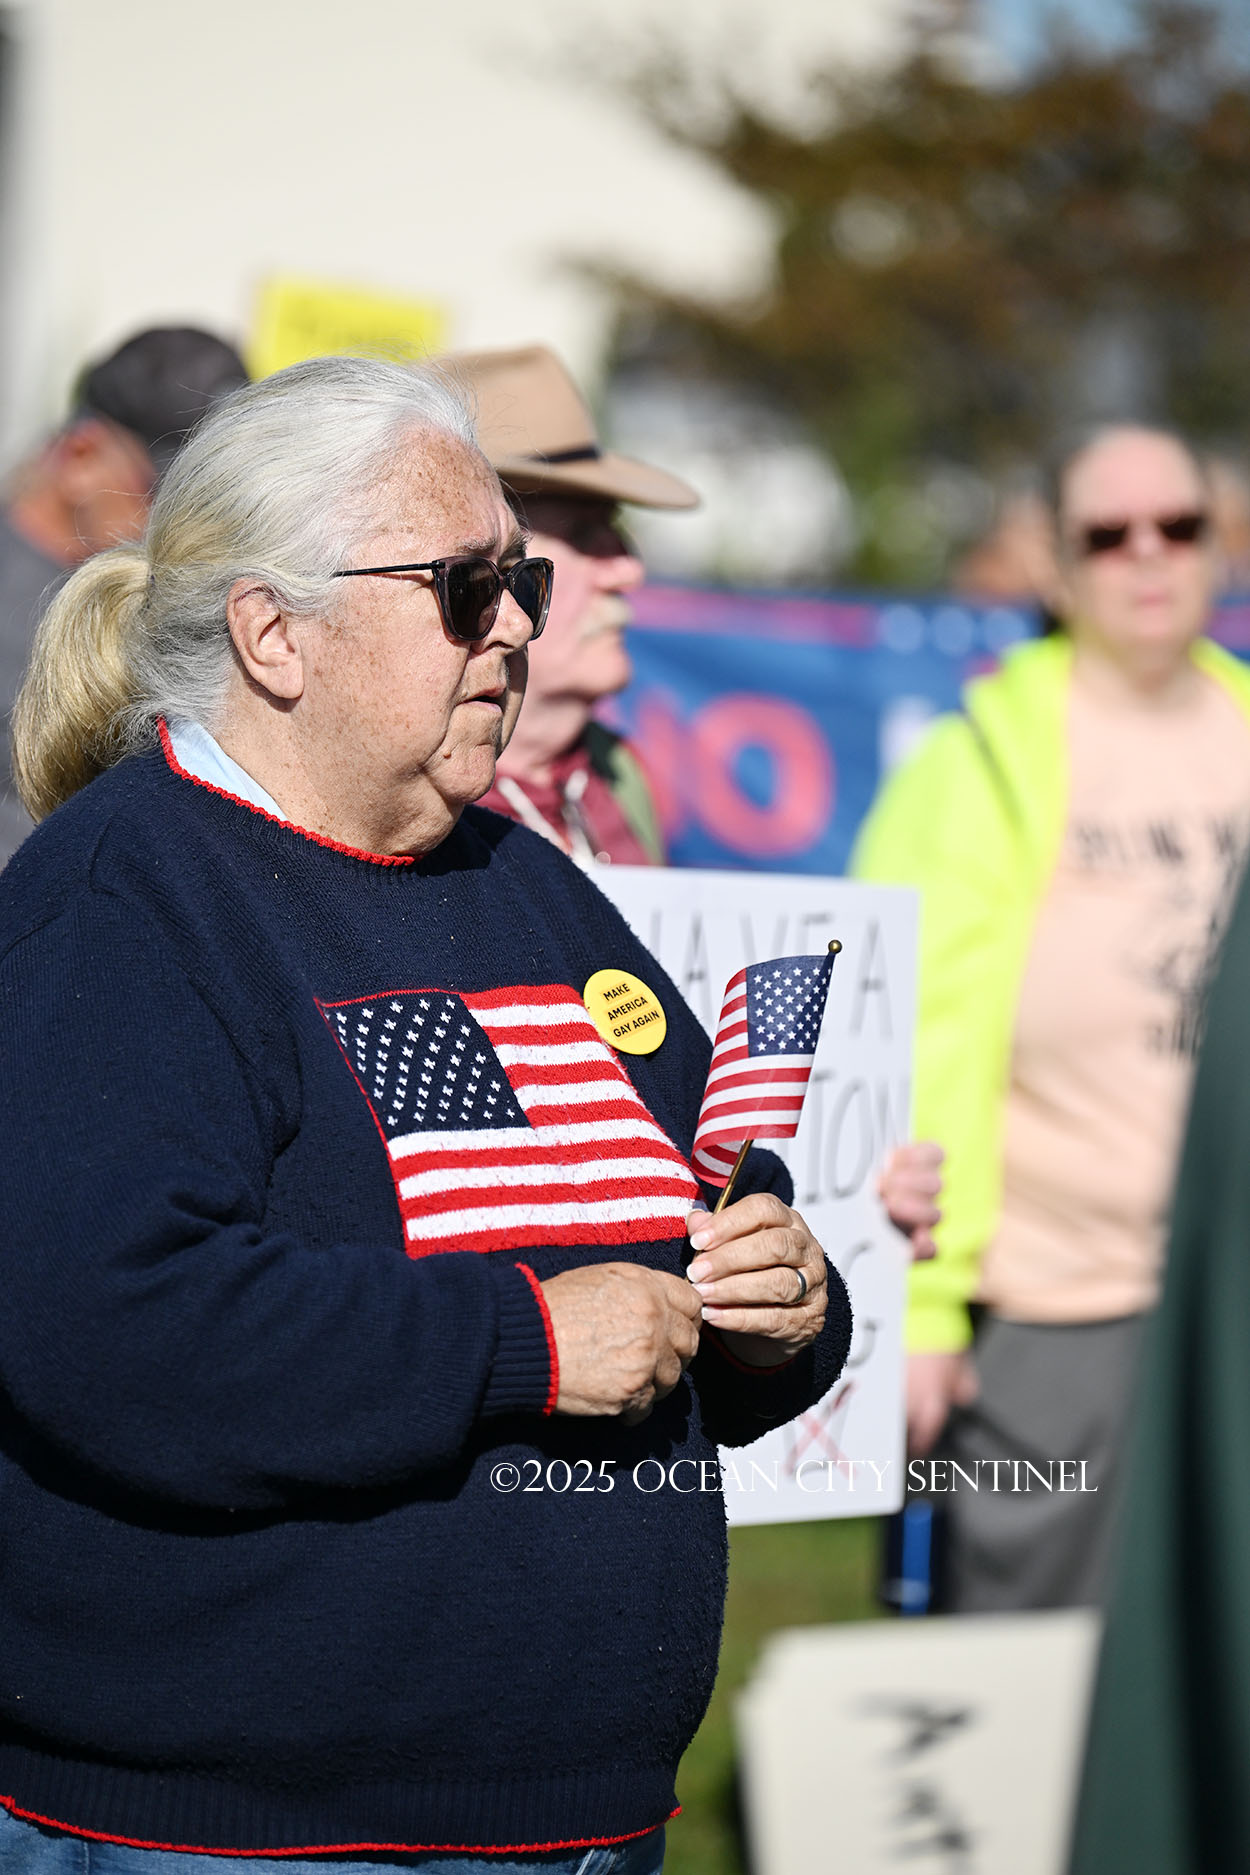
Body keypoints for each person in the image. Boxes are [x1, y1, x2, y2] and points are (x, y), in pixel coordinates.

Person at [0, 355, 852, 1872]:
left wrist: (782, 1308)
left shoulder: (525, 882)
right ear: (275, 632)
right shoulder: (125, 900)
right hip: (251, 1835)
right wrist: (525, 1342)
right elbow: (111, 1324)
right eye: (465, 587)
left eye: (522, 580)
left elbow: (688, 1227)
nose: (516, 624)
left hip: (576, 1819)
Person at [854, 423, 1250, 1611]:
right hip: (1049, 1313)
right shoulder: (974, 762)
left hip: (1231, 1295)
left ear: (1217, 545)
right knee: (1034, 1667)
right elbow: (903, 1046)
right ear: (1056, 566)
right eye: (1107, 534)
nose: (1147, 554)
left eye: (1176, 525)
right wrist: (922, 1310)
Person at [0, 325, 249, 864]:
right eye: (166, 490)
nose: (188, 522)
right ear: (81, 456)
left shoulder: (164, 607)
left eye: (209, 498)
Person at [440, 344, 694, 866]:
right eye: (581, 534)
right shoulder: (409, 808)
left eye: (615, 529)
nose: (628, 568)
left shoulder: (619, 776)